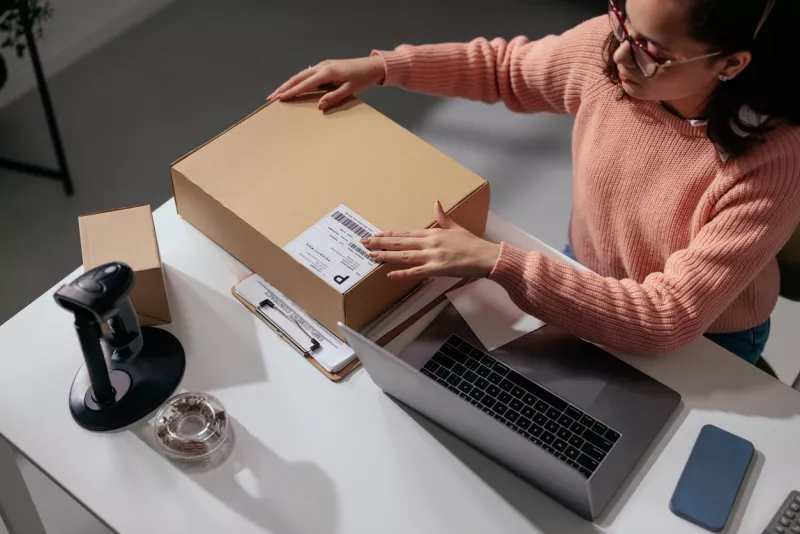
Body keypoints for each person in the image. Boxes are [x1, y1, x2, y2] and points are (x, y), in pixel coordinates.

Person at [270, 0, 800, 363]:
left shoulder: (771, 161)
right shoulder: (610, 54)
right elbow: (505, 69)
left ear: (731, 63)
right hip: (586, 271)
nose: (619, 55)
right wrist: (383, 67)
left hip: (706, 341)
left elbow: (668, 317)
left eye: (652, 52)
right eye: (621, 17)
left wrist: (495, 261)